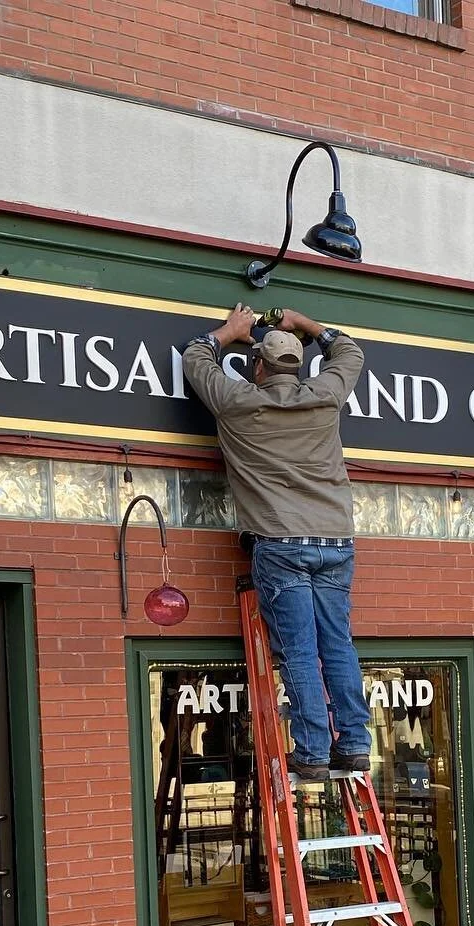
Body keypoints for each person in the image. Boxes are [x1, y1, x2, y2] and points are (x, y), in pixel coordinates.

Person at [183, 304, 369, 784]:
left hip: (281, 543)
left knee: (300, 653)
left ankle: (312, 755)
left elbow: (195, 357)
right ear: (300, 367)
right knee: (338, 646)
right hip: (335, 540)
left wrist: (231, 331)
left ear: (258, 367)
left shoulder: (237, 401)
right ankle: (354, 745)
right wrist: (306, 323)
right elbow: (349, 353)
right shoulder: (325, 395)